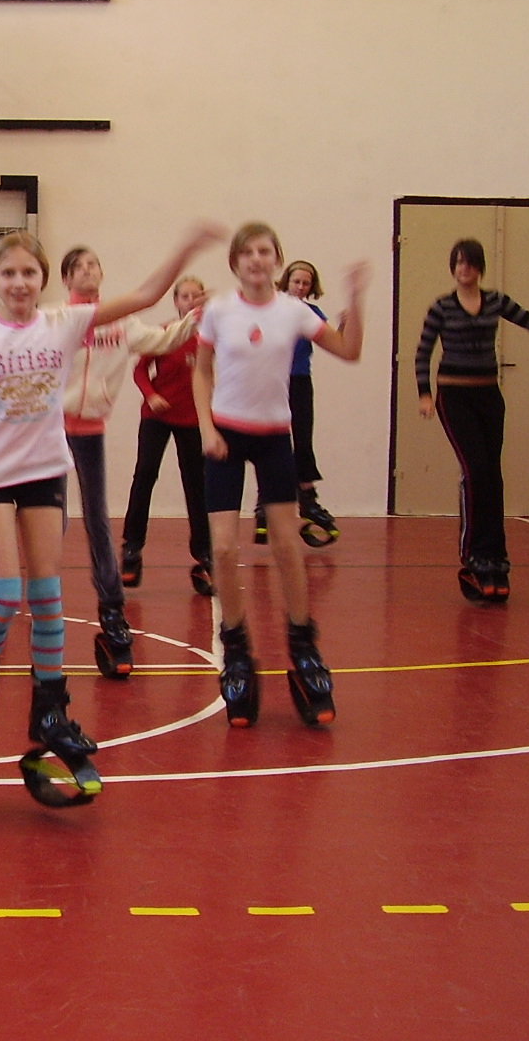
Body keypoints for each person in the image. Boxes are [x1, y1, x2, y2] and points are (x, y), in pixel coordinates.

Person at [0, 223, 225, 802]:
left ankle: (50, 712)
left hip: (43, 472)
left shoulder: (63, 323)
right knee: (4, 595)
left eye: (29, 273)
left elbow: (144, 296)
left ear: (42, 280)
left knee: (47, 599)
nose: (19, 282)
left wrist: (185, 250)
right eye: (9, 273)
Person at [194, 222, 369, 729]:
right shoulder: (218, 310)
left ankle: (302, 643)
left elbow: (349, 349)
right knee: (222, 548)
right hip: (226, 436)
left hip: (274, 438)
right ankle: (236, 649)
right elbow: (201, 370)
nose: (256, 259)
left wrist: (356, 300)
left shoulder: (294, 310)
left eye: (265, 251)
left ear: (276, 259)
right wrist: (206, 427)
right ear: (235, 262)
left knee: (288, 546)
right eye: (247, 252)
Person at [414, 237, 529, 603]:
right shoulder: (442, 307)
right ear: (452, 268)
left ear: (479, 267)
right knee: (475, 471)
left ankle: (495, 557)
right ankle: (473, 556)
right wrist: (425, 393)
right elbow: (423, 352)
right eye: (458, 263)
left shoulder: (496, 301)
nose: (464, 269)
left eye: (470, 263)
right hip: (454, 397)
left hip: (488, 396)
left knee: (492, 476)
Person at [60, 247, 198, 679]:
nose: (87, 270)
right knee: (49, 520)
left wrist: (196, 316)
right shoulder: (56, 320)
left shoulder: (122, 324)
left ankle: (112, 612)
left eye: (93, 264)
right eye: (78, 267)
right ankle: (31, 601)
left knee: (97, 520)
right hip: (48, 430)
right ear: (66, 279)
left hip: (89, 431)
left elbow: (165, 340)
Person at [121, 275, 213, 599]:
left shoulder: (210, 338)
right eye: (184, 296)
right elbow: (139, 370)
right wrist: (151, 394)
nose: (189, 301)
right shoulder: (165, 334)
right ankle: (132, 547)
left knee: (196, 483)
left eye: (195, 296)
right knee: (145, 474)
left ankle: (204, 553)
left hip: (192, 420)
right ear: (176, 302)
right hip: (157, 416)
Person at [252, 259, 337, 547]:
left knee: (303, 439)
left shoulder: (312, 314)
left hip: (300, 381)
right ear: (287, 282)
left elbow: (333, 340)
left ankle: (308, 499)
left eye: (305, 283)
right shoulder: (273, 308)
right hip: (274, 381)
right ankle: (264, 503)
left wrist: (348, 323)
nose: (300, 287)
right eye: (296, 281)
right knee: (271, 441)